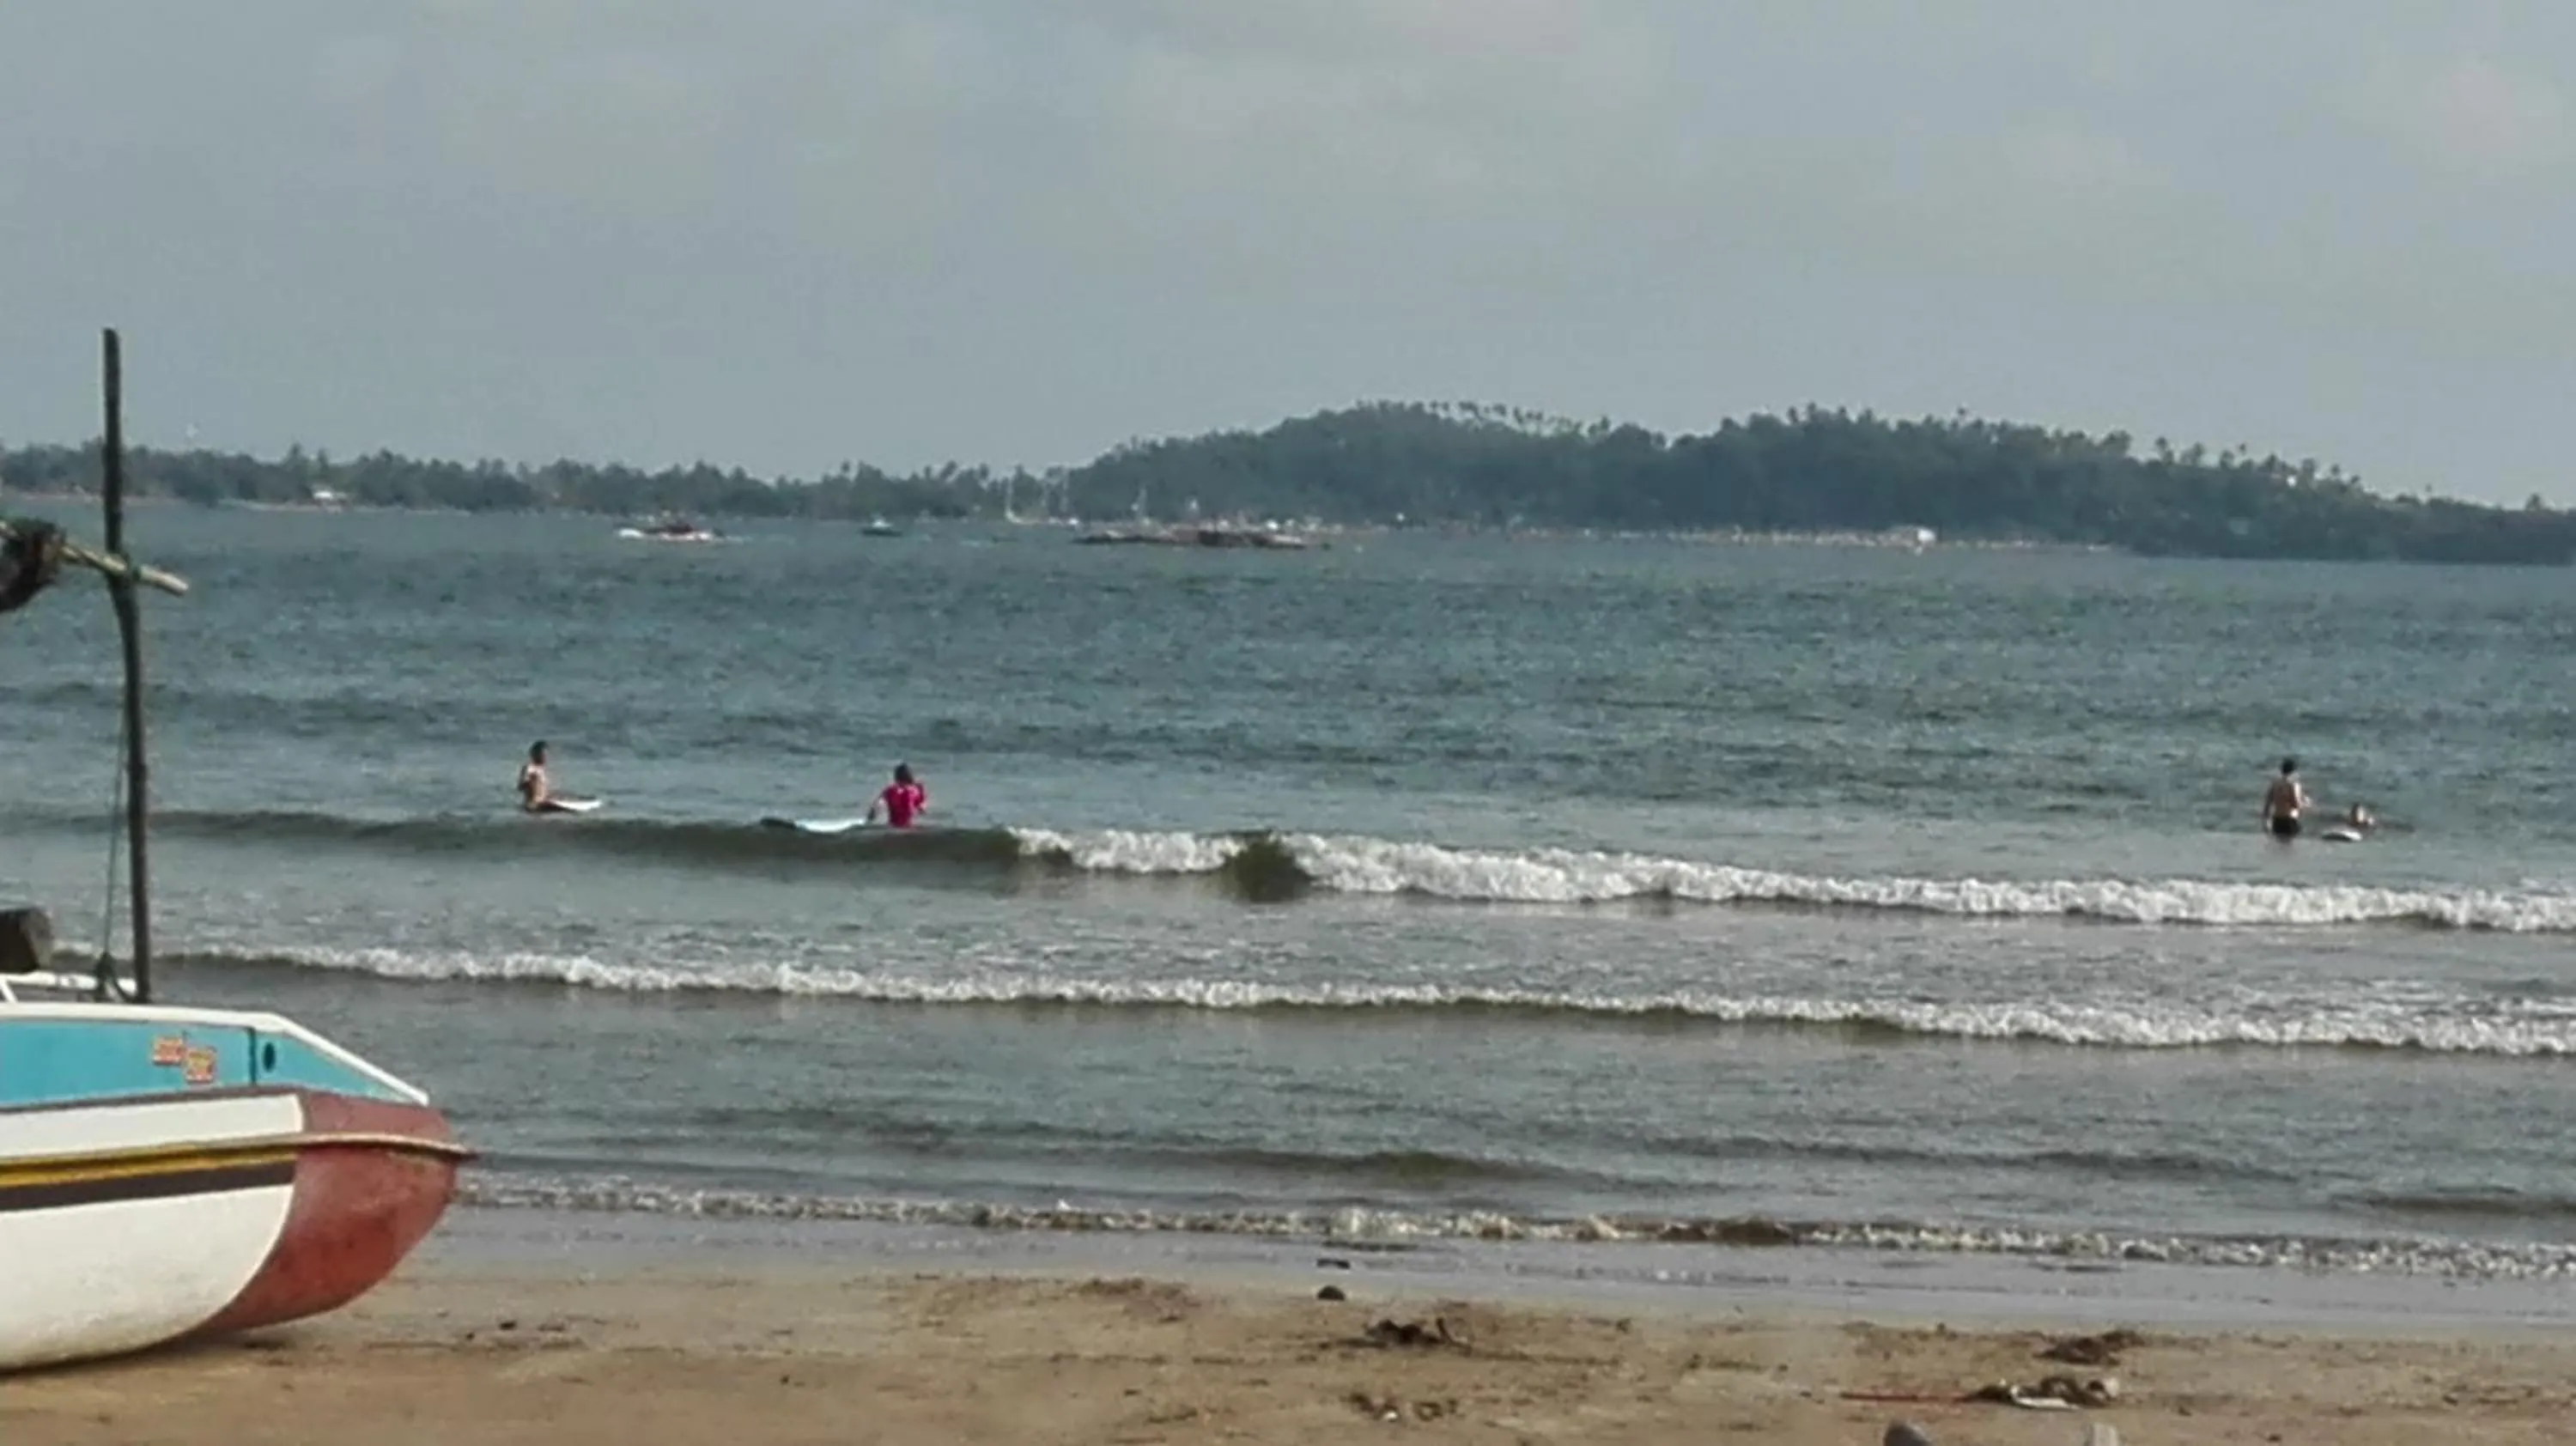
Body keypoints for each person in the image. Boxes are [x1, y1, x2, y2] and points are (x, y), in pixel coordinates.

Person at [867, 762, 927, 829]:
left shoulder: (891, 790)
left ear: (896, 777)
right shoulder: (916, 789)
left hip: (893, 826)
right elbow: (922, 809)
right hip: (910, 827)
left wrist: (871, 816)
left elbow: (879, 804)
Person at [2261, 756, 2308, 839]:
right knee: (2291, 847)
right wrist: (2306, 804)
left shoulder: (2275, 784)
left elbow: (2268, 803)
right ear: (2293, 772)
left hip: (2277, 819)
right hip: (2289, 820)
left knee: (2278, 845)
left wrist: (2266, 820)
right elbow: (2295, 804)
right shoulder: (2293, 785)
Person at [517, 741, 551, 813]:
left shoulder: (542, 770)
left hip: (543, 805)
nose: (546, 758)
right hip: (532, 806)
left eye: (546, 755)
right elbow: (520, 787)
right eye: (543, 755)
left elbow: (543, 791)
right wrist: (531, 781)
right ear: (535, 755)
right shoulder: (530, 768)